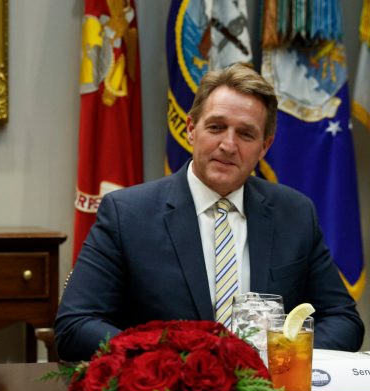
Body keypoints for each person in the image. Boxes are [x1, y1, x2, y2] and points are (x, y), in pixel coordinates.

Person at [55, 63, 364, 361]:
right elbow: (75, 325)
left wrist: (285, 359)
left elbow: (343, 320)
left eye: (246, 134)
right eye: (216, 127)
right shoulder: (128, 214)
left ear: (265, 147)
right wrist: (164, 361)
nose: (228, 145)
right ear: (191, 129)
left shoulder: (294, 214)